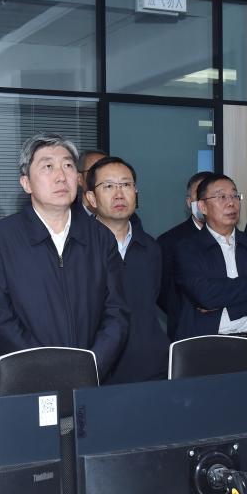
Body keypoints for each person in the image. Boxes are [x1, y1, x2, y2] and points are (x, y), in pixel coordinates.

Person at [0, 134, 129, 380]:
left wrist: (92, 365)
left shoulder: (100, 237)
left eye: (68, 165)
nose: (61, 176)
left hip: (91, 376)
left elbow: (116, 312)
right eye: (48, 166)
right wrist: (46, 370)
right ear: (26, 183)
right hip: (28, 378)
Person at [173, 173, 247, 366]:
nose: (231, 203)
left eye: (234, 196)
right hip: (208, 345)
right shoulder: (187, 248)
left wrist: (230, 309)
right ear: (202, 207)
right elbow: (205, 295)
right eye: (221, 197)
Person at [85, 156, 168, 383]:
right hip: (98, 372)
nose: (119, 194)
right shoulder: (79, 248)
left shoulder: (150, 247)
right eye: (109, 186)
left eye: (126, 185)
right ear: (91, 197)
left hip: (150, 370)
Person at [156, 170, 211, 340]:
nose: (204, 202)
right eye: (199, 196)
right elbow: (162, 292)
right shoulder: (169, 241)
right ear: (189, 202)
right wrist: (185, 313)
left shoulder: (238, 239)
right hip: (186, 331)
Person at [73, 148, 107, 217]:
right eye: (93, 171)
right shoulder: (68, 217)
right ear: (79, 179)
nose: (101, 177)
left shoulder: (123, 215)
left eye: (106, 172)